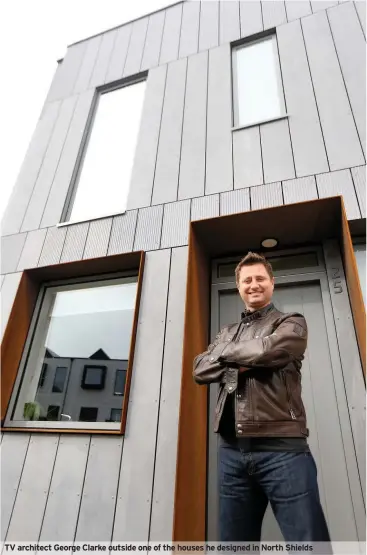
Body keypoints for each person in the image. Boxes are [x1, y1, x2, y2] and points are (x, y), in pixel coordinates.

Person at [193, 252, 331, 544]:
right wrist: (249, 353)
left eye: (259, 278)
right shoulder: (227, 331)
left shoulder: (291, 322)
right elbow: (200, 369)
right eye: (247, 280)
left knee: (309, 544)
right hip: (231, 452)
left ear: (272, 283)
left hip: (283, 451)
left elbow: (270, 351)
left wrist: (223, 353)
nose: (253, 284)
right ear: (238, 286)